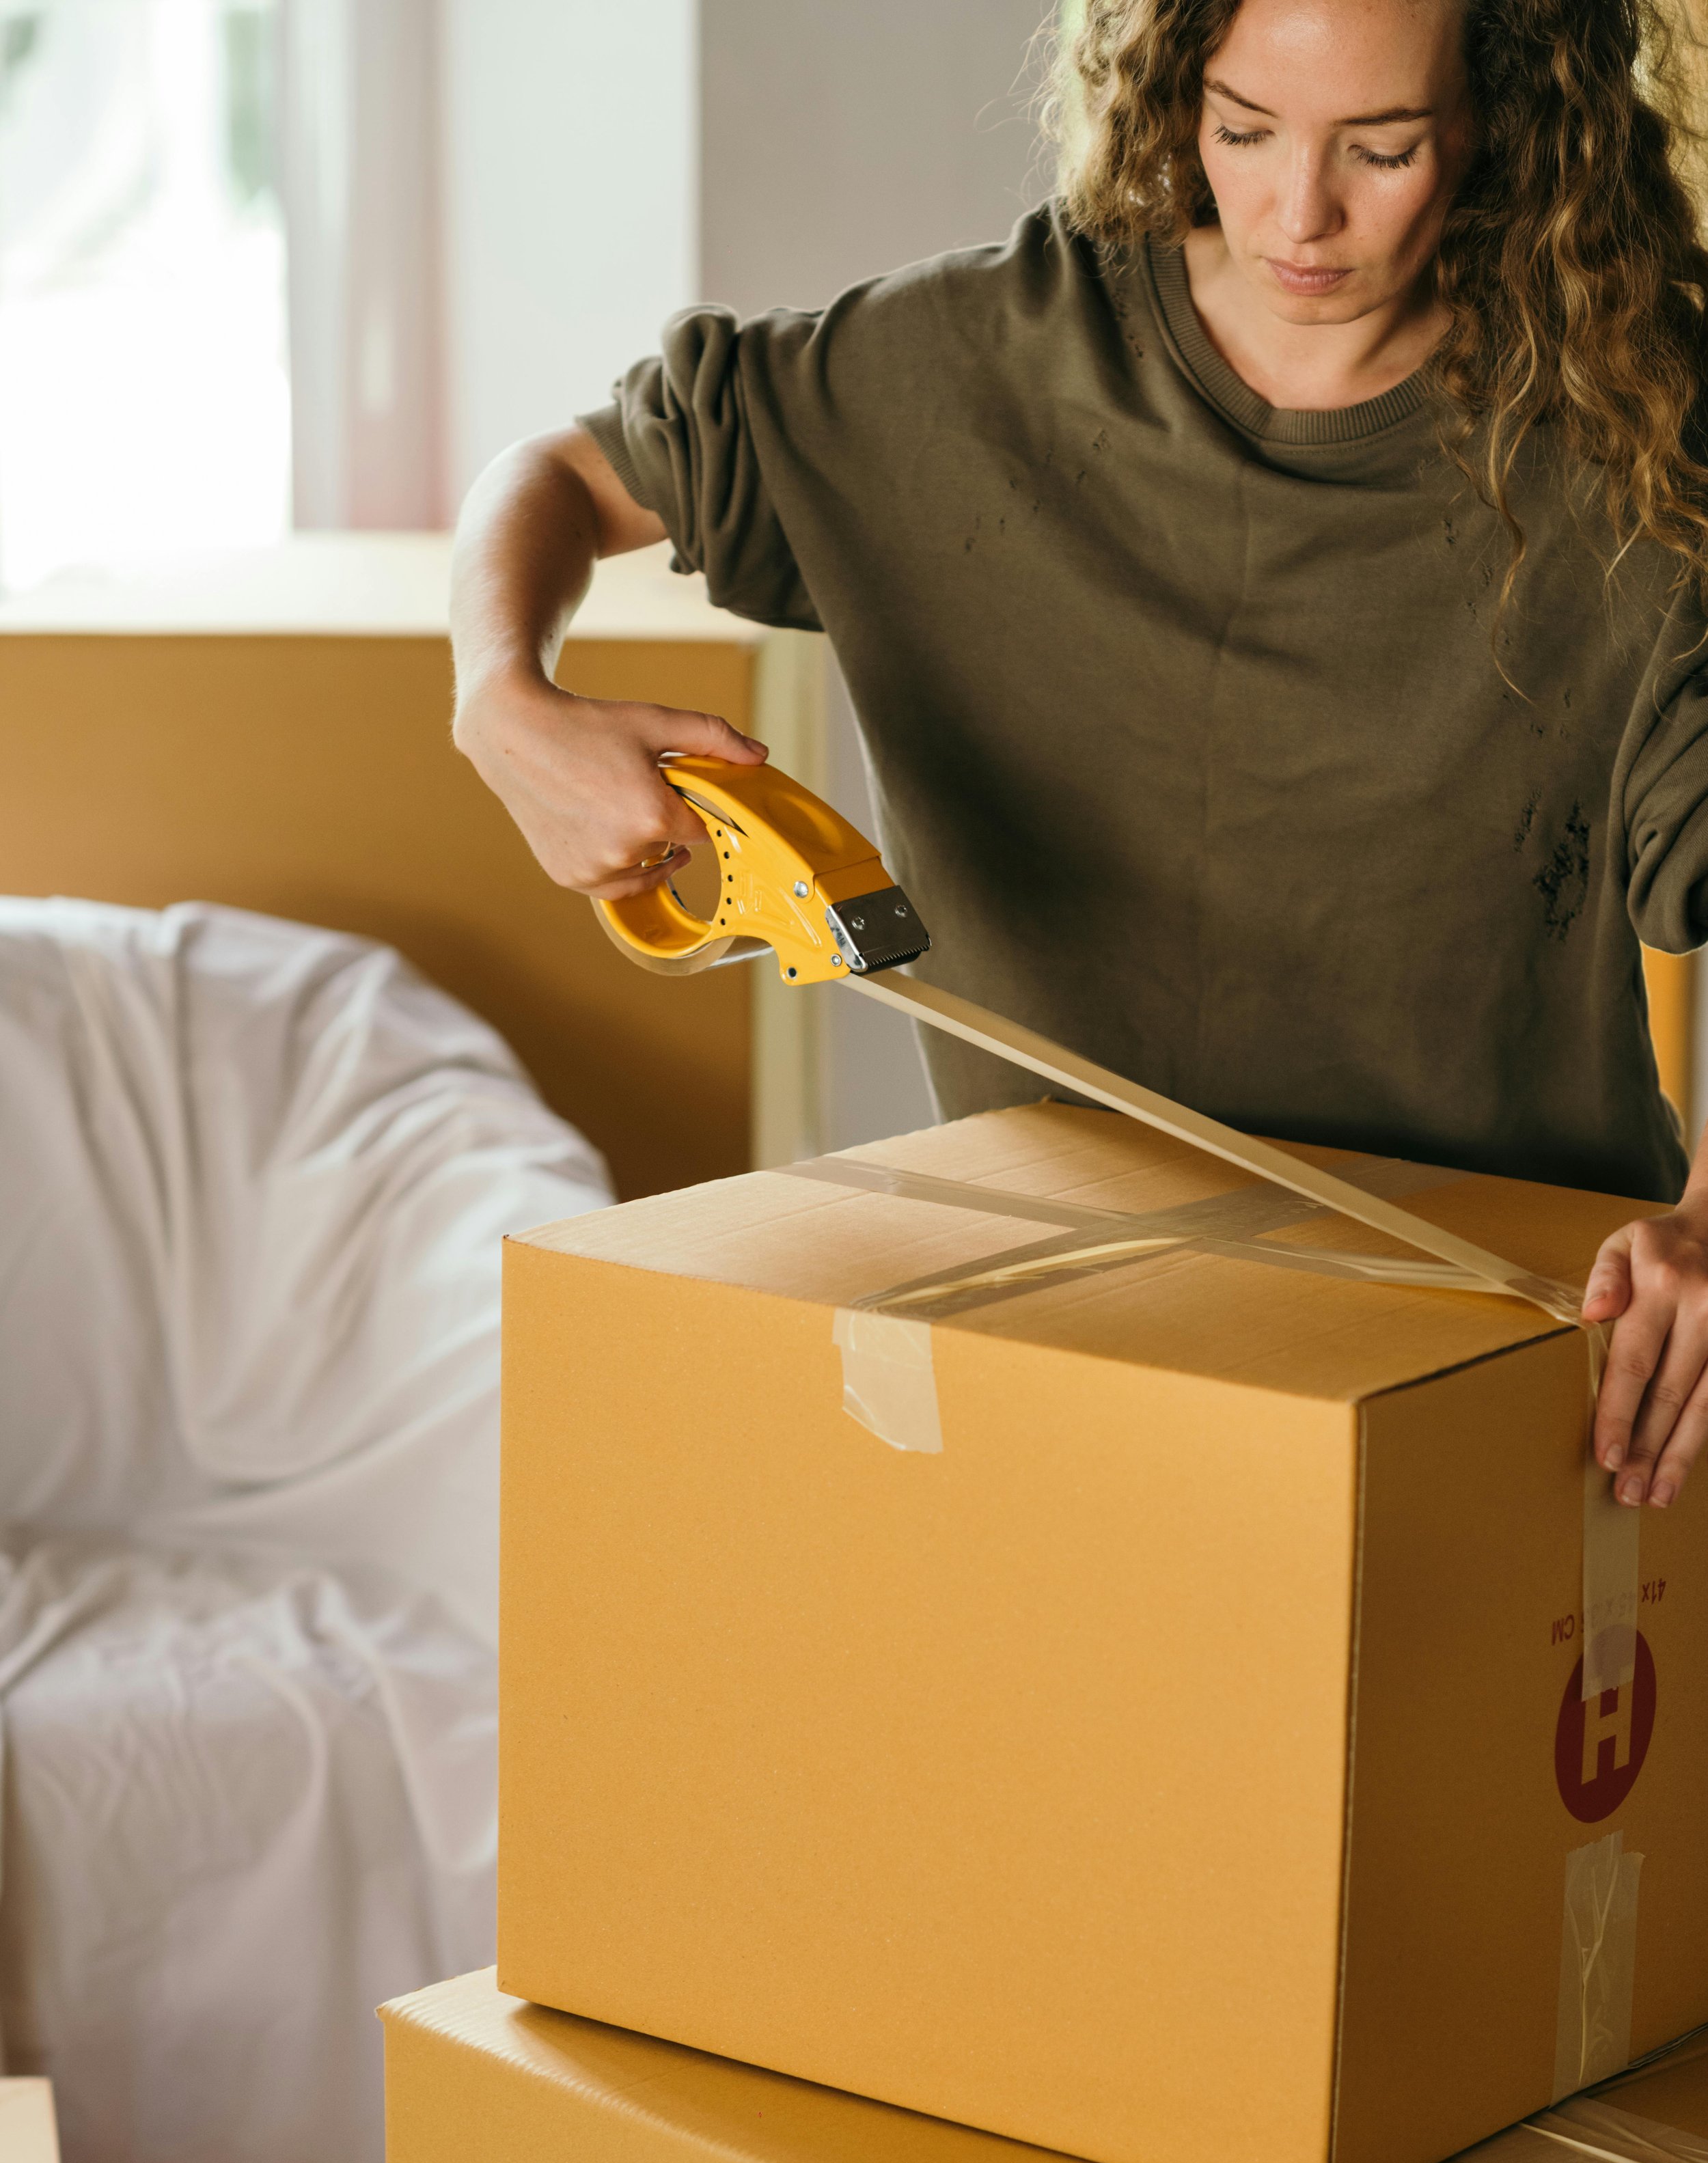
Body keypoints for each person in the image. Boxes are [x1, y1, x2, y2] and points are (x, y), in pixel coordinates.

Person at [449, 0, 1708, 1509]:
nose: (1294, 214)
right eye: (1241, 130)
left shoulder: (1636, 420)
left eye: (1379, 148)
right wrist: (501, 694)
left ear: (1503, 117)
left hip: (1519, 1363)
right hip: (1060, 1345)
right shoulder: (967, 363)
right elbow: (562, 476)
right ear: (1175, 84)